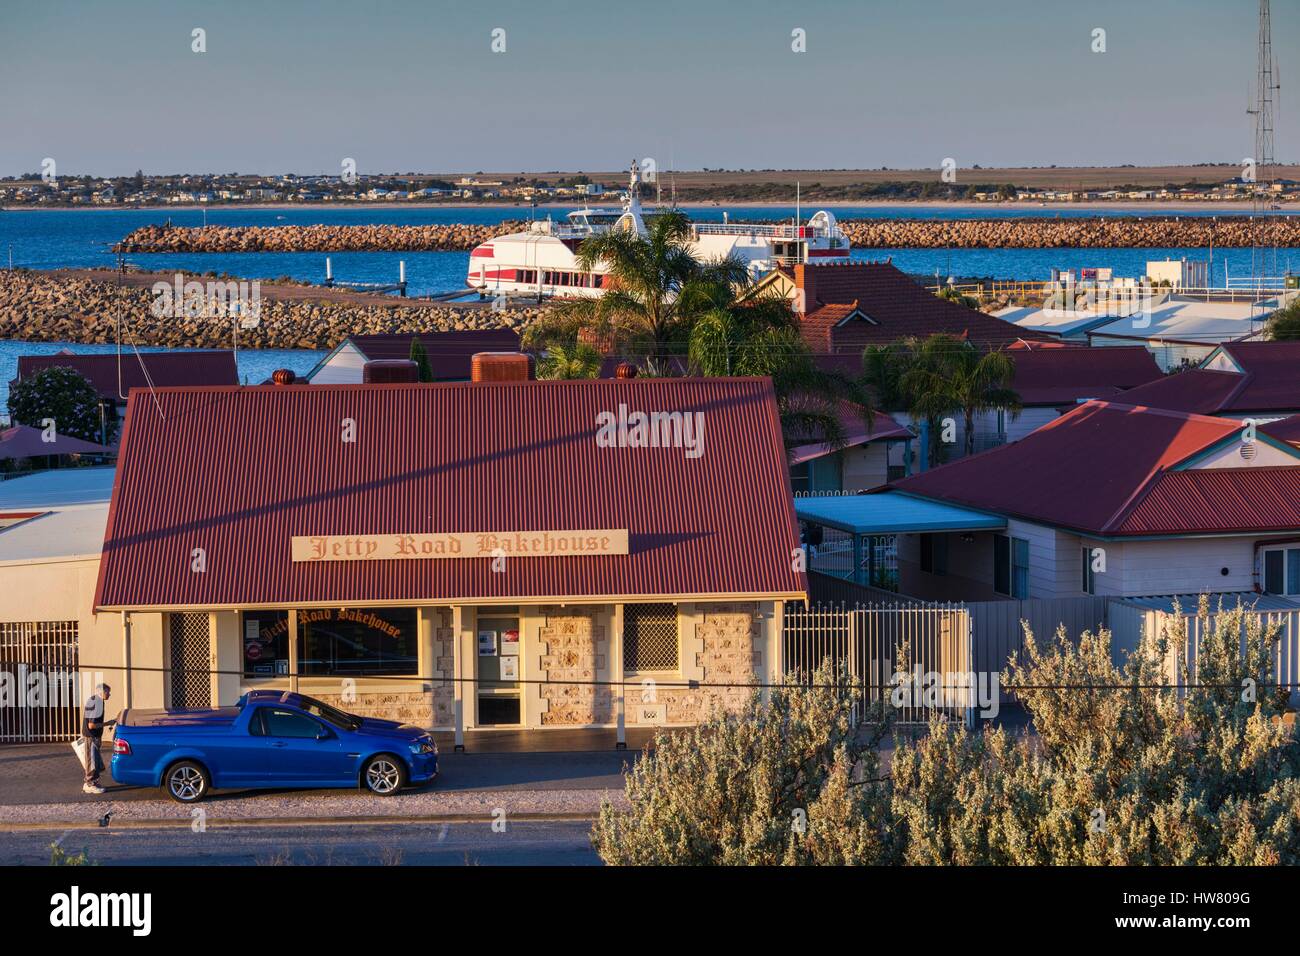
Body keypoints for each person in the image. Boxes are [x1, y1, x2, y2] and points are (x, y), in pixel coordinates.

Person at [81, 683, 111, 795]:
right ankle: (89, 784)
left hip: (94, 736)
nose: (109, 694)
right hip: (91, 736)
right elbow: (91, 725)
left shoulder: (97, 701)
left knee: (95, 761)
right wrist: (107, 723)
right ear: (101, 692)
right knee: (92, 761)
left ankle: (93, 782)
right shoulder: (96, 703)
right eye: (107, 692)